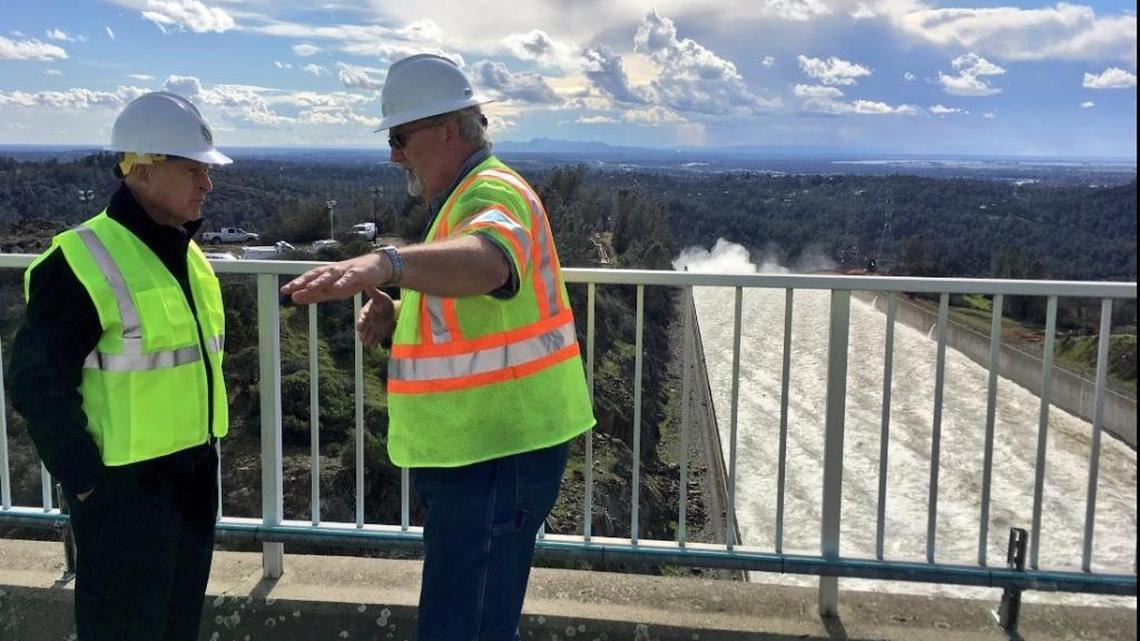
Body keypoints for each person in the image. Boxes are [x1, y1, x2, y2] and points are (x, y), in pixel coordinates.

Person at [280, 54, 596, 640]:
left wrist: (386, 262)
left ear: (447, 131)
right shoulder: (463, 197)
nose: (393, 154)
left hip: (496, 454)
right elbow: (479, 309)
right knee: (472, 619)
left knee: (463, 626)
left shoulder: (490, 192)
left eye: (400, 138)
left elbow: (489, 262)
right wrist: (402, 313)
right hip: (483, 451)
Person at [8, 91, 231, 641]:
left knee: (177, 624)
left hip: (193, 477)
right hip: (123, 492)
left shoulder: (186, 252)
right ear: (143, 171)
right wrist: (85, 484)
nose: (208, 184)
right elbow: (36, 385)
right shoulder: (80, 260)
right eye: (194, 170)